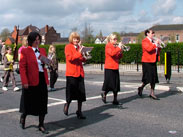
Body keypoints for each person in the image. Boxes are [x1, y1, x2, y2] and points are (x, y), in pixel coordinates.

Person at [19, 32, 49, 134]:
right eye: (35, 40)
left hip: (41, 78)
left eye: (38, 39)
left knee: (42, 102)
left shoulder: (43, 50)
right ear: (31, 41)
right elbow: (22, 68)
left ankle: (41, 124)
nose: (37, 42)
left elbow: (45, 64)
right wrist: (24, 81)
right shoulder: (25, 51)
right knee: (28, 102)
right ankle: (23, 116)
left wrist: (48, 63)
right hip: (30, 79)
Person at [64, 32, 87, 119]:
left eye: (77, 39)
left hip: (80, 72)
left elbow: (82, 59)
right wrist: (79, 52)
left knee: (80, 94)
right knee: (70, 92)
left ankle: (79, 111)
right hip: (72, 73)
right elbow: (70, 58)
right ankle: (67, 106)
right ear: (71, 39)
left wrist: (84, 54)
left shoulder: (79, 48)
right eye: (74, 39)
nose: (76, 40)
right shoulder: (68, 47)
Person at [138, 29, 161, 100]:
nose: (153, 34)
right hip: (147, 61)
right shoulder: (145, 41)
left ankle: (152, 93)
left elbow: (156, 50)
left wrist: (159, 46)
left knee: (154, 77)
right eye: (152, 33)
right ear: (147, 34)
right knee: (147, 78)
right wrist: (155, 44)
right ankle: (141, 87)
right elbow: (149, 49)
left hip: (153, 61)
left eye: (154, 33)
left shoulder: (153, 42)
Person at [101, 33, 123, 105]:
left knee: (116, 84)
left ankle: (115, 99)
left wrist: (121, 51)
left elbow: (118, 56)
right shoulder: (108, 46)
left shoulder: (115, 46)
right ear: (110, 40)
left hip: (115, 67)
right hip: (109, 67)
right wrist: (119, 48)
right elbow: (112, 53)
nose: (115, 40)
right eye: (114, 39)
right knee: (109, 84)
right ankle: (104, 93)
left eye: (116, 39)